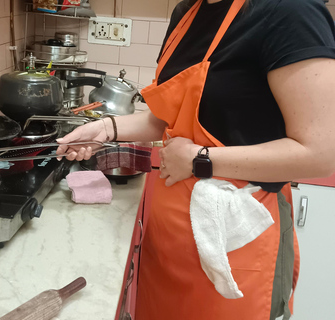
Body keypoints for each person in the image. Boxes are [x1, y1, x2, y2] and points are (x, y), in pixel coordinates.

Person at [56, 0, 335, 318]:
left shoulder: (289, 12)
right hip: (168, 242)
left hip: (236, 250)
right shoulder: (186, 14)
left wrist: (200, 160)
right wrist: (106, 128)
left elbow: (320, 155)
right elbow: (167, 119)